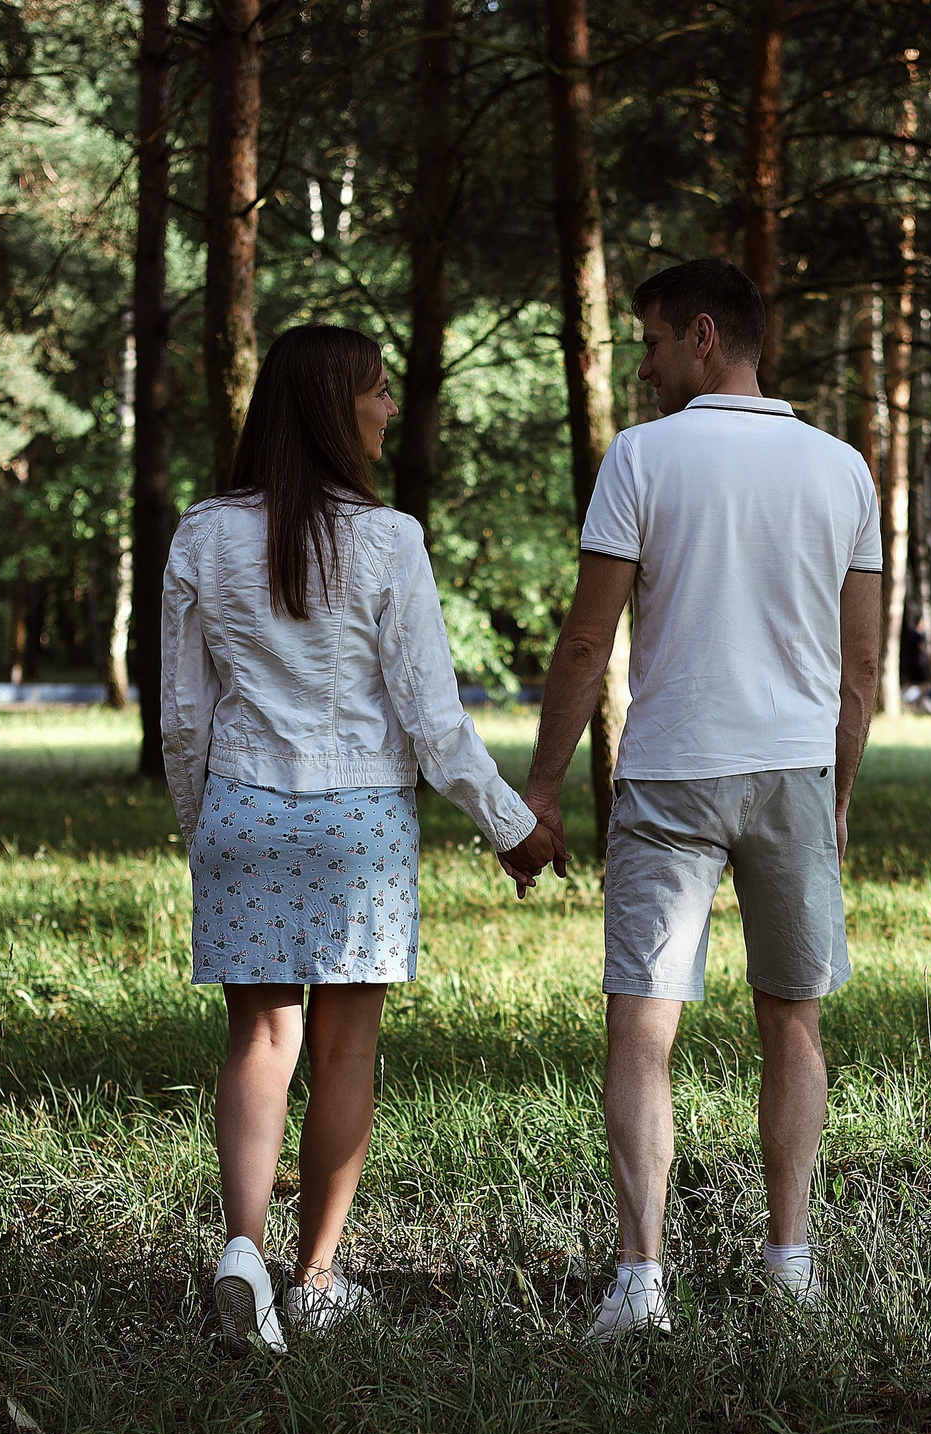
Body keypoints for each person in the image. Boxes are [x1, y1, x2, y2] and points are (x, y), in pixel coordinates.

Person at [162, 324, 563, 1356]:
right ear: (334, 407)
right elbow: (432, 720)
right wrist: (512, 826)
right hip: (359, 824)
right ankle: (316, 1280)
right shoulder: (389, 540)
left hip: (243, 806)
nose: (389, 408)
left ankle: (243, 1253)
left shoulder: (203, 533)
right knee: (345, 1050)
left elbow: (183, 718)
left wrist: (202, 826)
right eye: (377, 392)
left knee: (261, 1040)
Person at [519, 258, 886, 1343]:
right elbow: (860, 668)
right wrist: (837, 793)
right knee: (793, 1019)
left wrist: (541, 786)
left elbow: (587, 640)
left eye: (650, 343)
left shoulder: (642, 458)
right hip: (793, 772)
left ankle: (642, 1283)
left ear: (705, 336)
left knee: (643, 1023)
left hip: (672, 771)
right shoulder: (844, 470)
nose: (641, 368)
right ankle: (790, 1264)